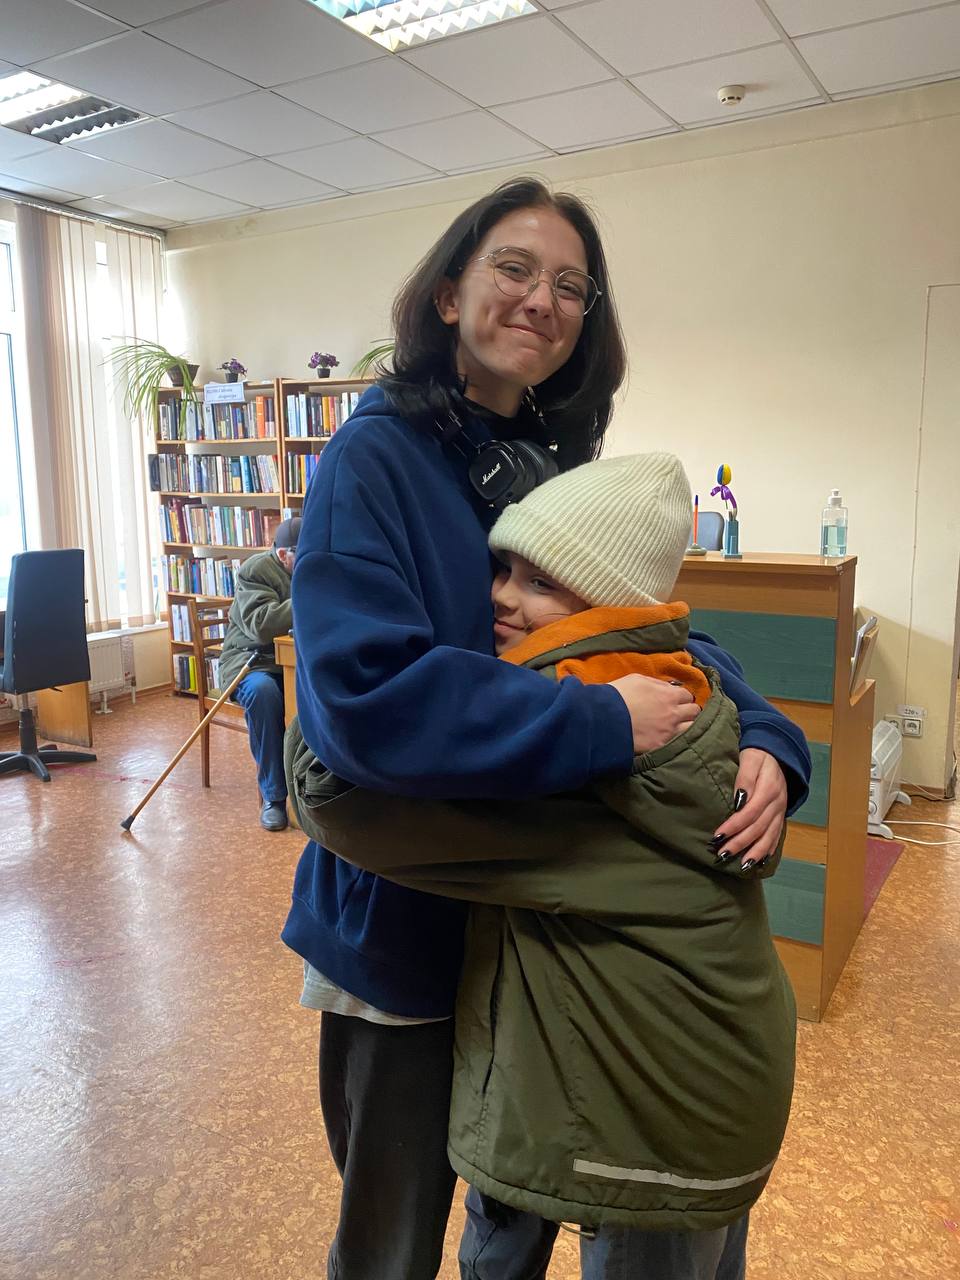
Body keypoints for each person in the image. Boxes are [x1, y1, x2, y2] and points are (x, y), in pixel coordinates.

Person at [281, 177, 811, 1280]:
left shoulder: (554, 459)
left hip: (529, 941)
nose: (542, 299)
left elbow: (647, 626)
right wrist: (598, 716)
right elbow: (363, 700)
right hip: (402, 927)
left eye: (571, 285)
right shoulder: (372, 460)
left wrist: (767, 734)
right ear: (447, 293)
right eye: (515, 269)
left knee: (512, 1216)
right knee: (390, 1242)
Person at [218, 515, 300, 831]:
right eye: (303, 555)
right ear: (282, 554)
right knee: (264, 693)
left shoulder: (308, 566)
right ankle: (274, 797)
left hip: (292, 662)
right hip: (251, 662)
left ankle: (323, 786)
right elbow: (262, 625)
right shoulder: (255, 570)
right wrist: (310, 596)